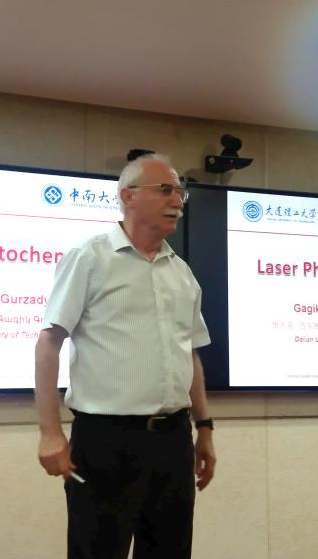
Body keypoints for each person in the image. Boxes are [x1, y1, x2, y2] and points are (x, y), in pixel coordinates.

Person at [34, 153, 216, 559]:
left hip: (173, 440)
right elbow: (49, 343)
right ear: (128, 196)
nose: (178, 201)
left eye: (180, 192)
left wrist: (204, 429)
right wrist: (50, 432)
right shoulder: (90, 257)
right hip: (106, 441)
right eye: (165, 190)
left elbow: (189, 354)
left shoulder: (181, 272)